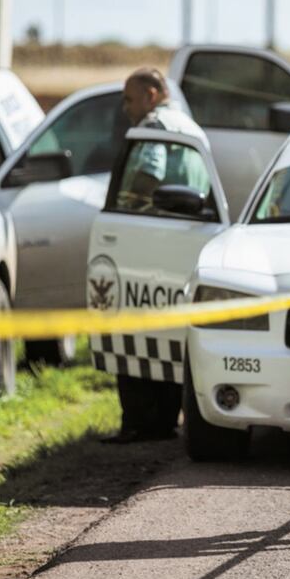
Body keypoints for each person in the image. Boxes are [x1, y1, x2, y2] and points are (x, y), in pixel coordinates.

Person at [101, 67, 198, 444]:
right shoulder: (188, 126)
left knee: (131, 329)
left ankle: (140, 423)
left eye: (130, 98)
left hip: (146, 242)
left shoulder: (154, 127)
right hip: (180, 244)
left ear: (152, 95)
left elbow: (147, 177)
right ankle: (163, 420)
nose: (125, 107)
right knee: (169, 335)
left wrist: (128, 205)